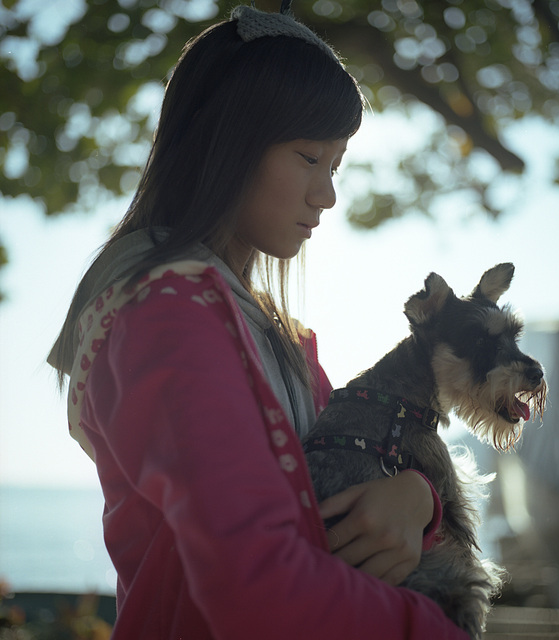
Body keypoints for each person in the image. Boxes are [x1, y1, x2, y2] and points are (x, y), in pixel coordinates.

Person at [48, 3, 470, 638]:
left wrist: (418, 496)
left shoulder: (273, 334)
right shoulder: (163, 312)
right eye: (308, 156)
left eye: (335, 165)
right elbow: (259, 589)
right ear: (229, 139)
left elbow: (347, 470)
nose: (327, 194)